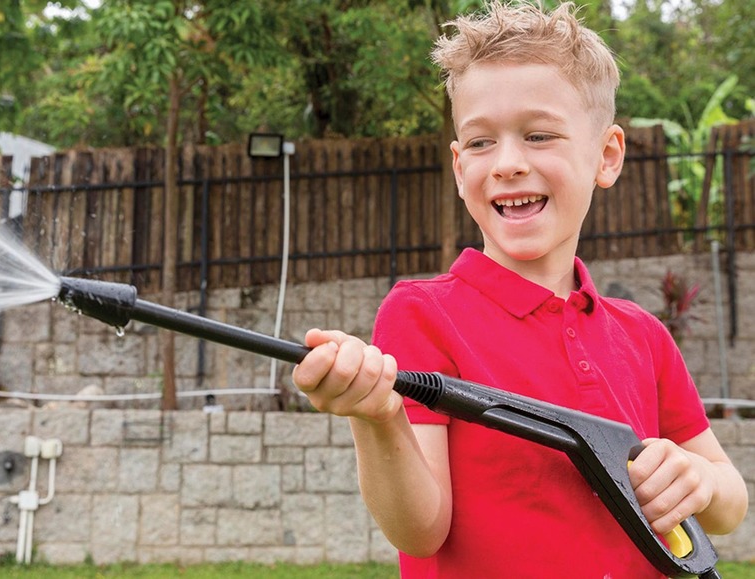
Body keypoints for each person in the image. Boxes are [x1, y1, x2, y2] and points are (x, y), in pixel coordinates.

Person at [292, 2, 748, 577]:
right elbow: (419, 532)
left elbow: (730, 503)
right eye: (480, 143)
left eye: (538, 135)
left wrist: (699, 479)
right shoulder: (422, 314)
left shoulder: (644, 335)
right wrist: (378, 418)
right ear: (459, 169)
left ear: (607, 156)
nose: (507, 163)